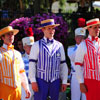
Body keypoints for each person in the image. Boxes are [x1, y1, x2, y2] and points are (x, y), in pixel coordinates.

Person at [29, 19, 68, 100]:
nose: (52, 31)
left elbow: (63, 64)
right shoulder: (36, 45)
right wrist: (33, 80)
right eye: (49, 28)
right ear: (43, 29)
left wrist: (64, 81)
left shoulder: (59, 45)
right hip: (41, 80)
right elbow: (32, 64)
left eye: (53, 28)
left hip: (55, 80)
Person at [0, 26, 31, 100]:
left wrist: (26, 88)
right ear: (3, 38)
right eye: (8, 34)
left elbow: (21, 72)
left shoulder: (17, 54)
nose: (11, 36)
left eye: (12, 34)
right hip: (4, 89)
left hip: (17, 89)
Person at [75, 18, 100, 100]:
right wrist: (81, 82)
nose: (97, 29)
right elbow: (78, 65)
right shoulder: (83, 45)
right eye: (95, 27)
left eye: (98, 27)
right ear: (89, 28)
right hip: (91, 81)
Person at [67, 27, 86, 100]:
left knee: (85, 97)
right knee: (75, 97)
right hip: (75, 76)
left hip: (85, 76)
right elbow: (74, 58)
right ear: (75, 38)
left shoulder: (88, 48)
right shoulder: (71, 49)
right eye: (79, 37)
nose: (81, 39)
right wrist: (81, 47)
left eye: (83, 37)